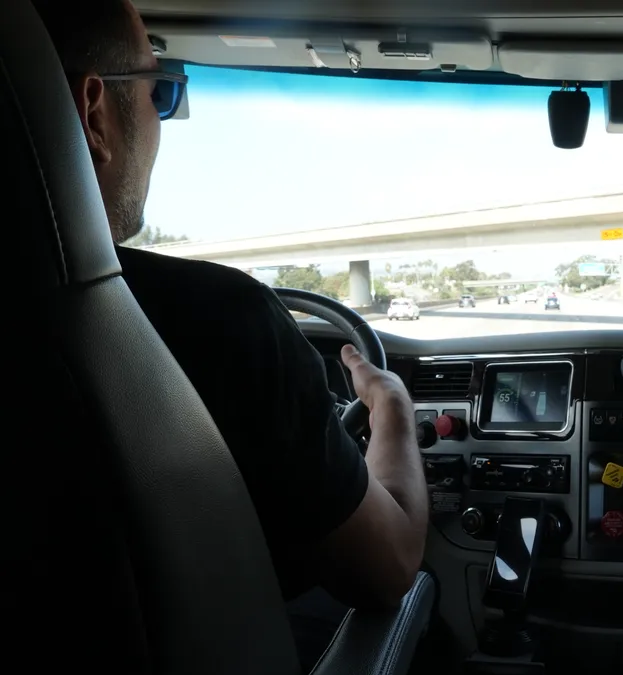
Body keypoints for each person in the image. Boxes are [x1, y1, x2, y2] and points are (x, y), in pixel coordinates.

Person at [32, 0, 430, 666]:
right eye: (161, 89)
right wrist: (390, 409)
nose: (164, 120)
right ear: (95, 111)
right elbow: (388, 565)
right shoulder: (225, 321)